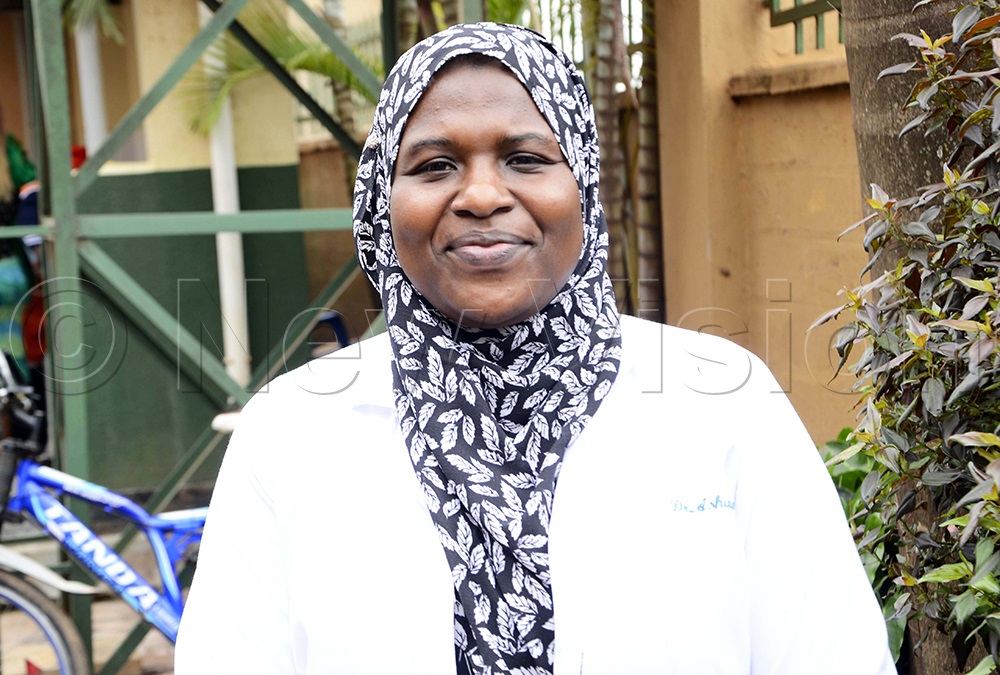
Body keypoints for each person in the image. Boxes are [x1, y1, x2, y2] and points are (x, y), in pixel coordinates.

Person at [175, 22, 895, 674]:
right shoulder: (292, 433)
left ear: (581, 186)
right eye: (433, 166)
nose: (482, 195)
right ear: (379, 205)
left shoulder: (723, 401)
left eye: (525, 158)